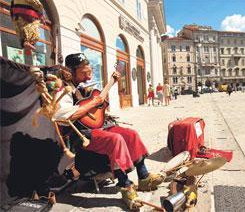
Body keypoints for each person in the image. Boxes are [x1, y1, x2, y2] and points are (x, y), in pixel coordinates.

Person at [53, 53, 164, 210]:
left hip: (98, 127)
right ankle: (125, 187)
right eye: (84, 73)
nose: (88, 76)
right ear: (71, 71)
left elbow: (96, 106)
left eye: (89, 72)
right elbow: (59, 115)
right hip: (81, 134)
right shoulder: (62, 89)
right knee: (115, 139)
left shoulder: (81, 89)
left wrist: (105, 93)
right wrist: (91, 105)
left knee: (130, 134)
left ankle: (144, 177)